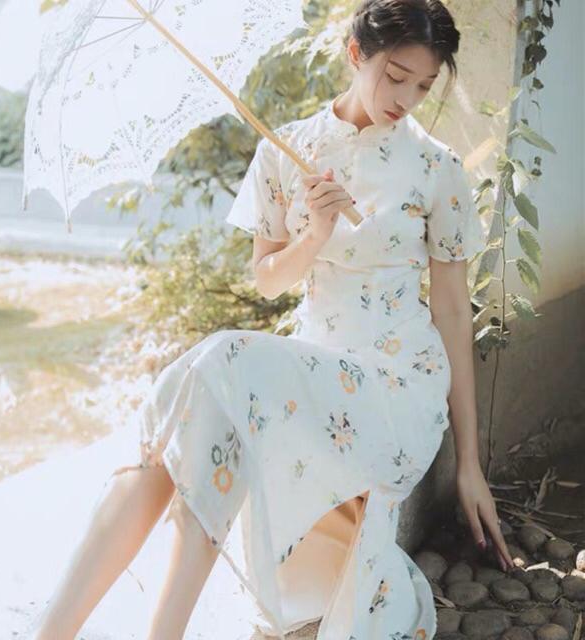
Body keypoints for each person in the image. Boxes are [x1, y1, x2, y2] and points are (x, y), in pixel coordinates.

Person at [34, 1, 516, 638]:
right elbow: (266, 279)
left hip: (396, 386)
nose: (407, 99)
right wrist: (314, 234)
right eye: (396, 76)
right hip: (309, 371)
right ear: (356, 54)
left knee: (221, 363)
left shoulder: (436, 168)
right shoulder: (285, 150)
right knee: (205, 418)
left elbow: (451, 310)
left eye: (423, 86)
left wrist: (468, 463)